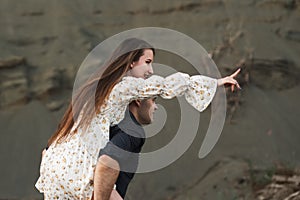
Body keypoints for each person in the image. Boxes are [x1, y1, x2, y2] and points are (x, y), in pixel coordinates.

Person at [35, 38, 241, 199]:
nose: (151, 70)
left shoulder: (96, 87)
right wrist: (215, 82)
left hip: (53, 165)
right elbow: (166, 86)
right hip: (77, 169)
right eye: (148, 62)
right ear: (132, 61)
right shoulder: (125, 85)